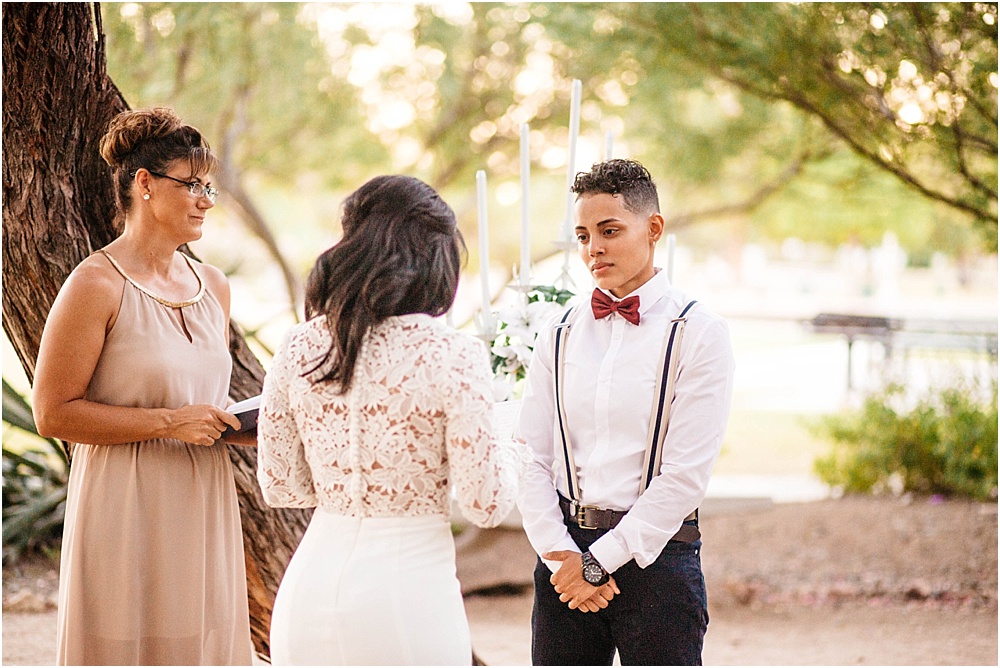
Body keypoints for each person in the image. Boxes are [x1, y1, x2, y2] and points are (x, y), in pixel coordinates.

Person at [256, 174, 523, 666]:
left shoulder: (299, 344)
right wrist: (509, 437)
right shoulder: (453, 353)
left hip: (308, 591)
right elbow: (486, 505)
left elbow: (281, 487)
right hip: (407, 597)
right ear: (437, 256)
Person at [33, 107, 253, 666]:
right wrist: (170, 422)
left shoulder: (215, 287)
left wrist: (238, 424)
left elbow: (197, 393)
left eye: (209, 187)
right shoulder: (94, 284)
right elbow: (52, 413)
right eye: (192, 185)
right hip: (124, 505)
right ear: (145, 184)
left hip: (202, 501)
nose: (206, 200)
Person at [515, 159, 736, 665]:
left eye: (609, 230)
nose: (593, 248)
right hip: (564, 559)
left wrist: (599, 563)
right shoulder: (559, 331)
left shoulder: (697, 332)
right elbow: (530, 456)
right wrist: (560, 555)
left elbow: (685, 475)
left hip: (657, 561)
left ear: (653, 228)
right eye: (583, 235)